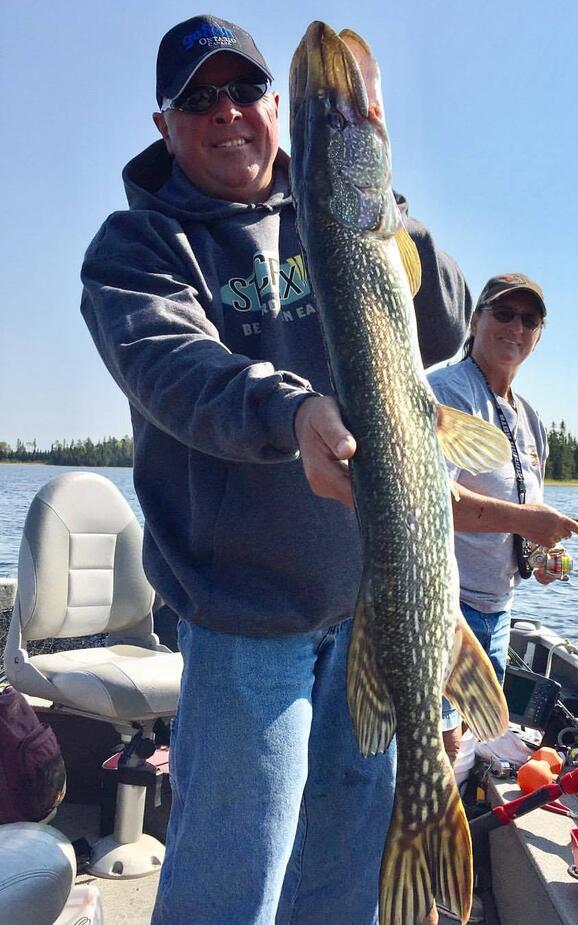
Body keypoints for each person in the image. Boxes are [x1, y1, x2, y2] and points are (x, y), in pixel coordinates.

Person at [80, 15, 476, 925]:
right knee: (230, 892)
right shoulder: (136, 249)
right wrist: (290, 410)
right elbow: (171, 366)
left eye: (245, 91)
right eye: (199, 98)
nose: (229, 113)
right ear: (164, 124)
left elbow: (448, 325)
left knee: (338, 889)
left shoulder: (338, 211)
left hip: (374, 608)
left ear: (274, 109)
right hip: (243, 621)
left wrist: (389, 209)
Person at [429, 274, 578, 762]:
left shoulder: (532, 419)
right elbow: (430, 499)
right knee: (441, 748)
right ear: (475, 320)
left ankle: (449, 830)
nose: (516, 327)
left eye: (529, 319)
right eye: (503, 313)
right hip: (444, 609)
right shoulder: (445, 392)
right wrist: (525, 521)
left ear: (538, 335)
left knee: (470, 744)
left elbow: (524, 508)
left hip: (499, 610)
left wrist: (542, 553)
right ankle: (419, 833)